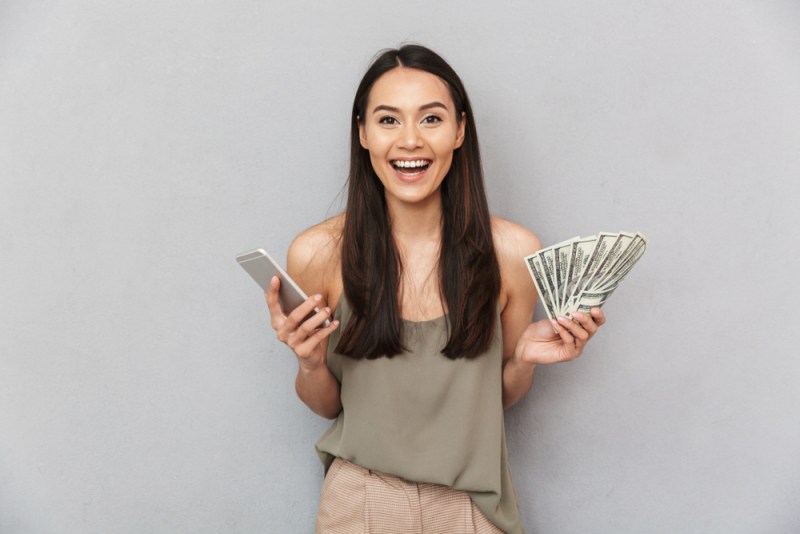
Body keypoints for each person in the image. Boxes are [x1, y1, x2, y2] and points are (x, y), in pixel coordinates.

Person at [265, 44, 605, 534]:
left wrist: (523, 360)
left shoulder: (512, 251)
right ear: (362, 133)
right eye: (387, 120)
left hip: (472, 507)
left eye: (430, 119)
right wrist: (310, 362)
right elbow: (328, 405)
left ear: (460, 130)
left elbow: (497, 399)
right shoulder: (318, 253)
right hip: (360, 502)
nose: (409, 141)